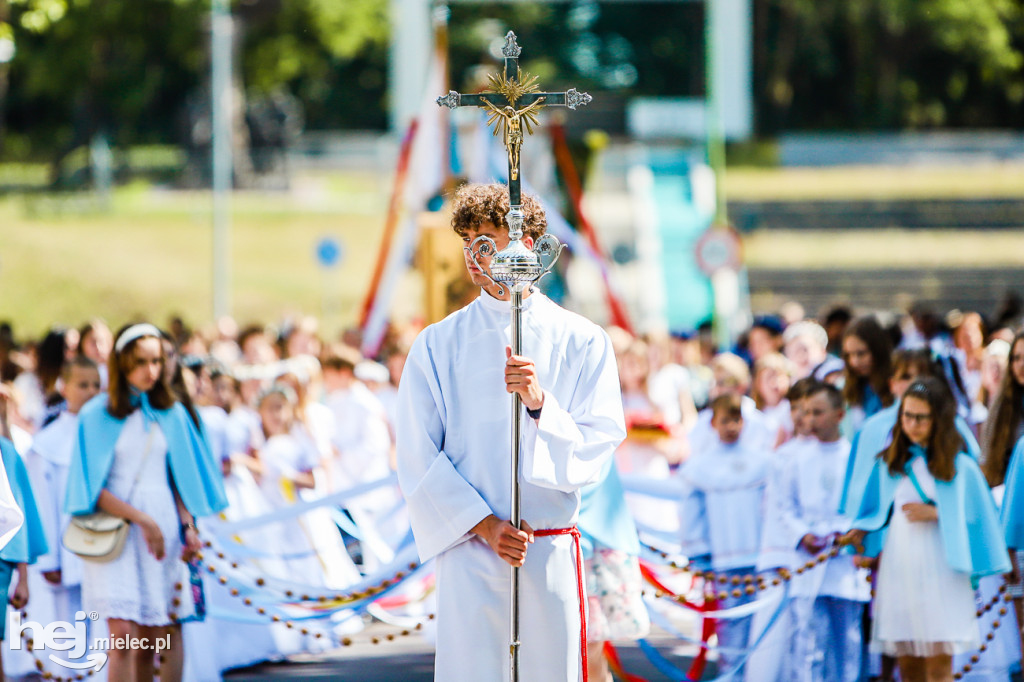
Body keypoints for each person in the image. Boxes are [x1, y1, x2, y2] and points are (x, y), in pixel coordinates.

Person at [395, 183, 626, 682]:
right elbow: (417, 454)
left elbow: (599, 441)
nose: (476, 252)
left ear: (524, 241)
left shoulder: (583, 339)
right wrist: (485, 525)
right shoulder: (437, 345)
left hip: (547, 549)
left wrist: (542, 406)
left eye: (489, 237)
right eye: (467, 238)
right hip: (472, 554)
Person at [65, 323, 228, 682]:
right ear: (122, 363)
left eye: (156, 361)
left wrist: (188, 528)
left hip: (165, 530)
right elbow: (90, 488)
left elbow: (180, 480)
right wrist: (142, 520)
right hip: (117, 530)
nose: (150, 371)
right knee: (123, 638)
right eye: (140, 362)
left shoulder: (174, 413)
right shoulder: (96, 414)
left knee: (165, 634)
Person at [842, 377, 1010, 682]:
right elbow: (874, 511)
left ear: (939, 419)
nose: (912, 424)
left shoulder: (960, 466)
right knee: (908, 663)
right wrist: (860, 534)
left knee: (938, 662)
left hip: (943, 564)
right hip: (900, 564)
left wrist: (936, 512)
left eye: (921, 417)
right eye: (907, 416)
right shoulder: (891, 462)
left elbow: (978, 514)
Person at [778, 383, 870, 682]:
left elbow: (864, 507)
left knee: (848, 640)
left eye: (818, 412)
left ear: (839, 414)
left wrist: (844, 534)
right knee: (808, 640)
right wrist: (803, 534)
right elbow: (785, 506)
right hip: (809, 559)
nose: (811, 419)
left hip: (843, 562)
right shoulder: (796, 458)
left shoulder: (854, 458)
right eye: (807, 412)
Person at [677, 394, 772, 677]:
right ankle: (733, 674)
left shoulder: (763, 462)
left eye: (736, 420)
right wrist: (699, 552)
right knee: (730, 625)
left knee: (762, 623)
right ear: (713, 424)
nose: (731, 427)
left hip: (759, 556)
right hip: (723, 558)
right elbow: (692, 514)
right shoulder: (700, 467)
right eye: (724, 421)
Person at [23, 357, 101, 646]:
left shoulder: (109, 434)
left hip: (108, 544)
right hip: (68, 550)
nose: (91, 392)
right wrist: (49, 558)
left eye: (96, 385)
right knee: (72, 628)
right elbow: (41, 505)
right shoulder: (47, 443)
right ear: (63, 387)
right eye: (83, 385)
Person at [840, 316, 894, 435]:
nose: (854, 362)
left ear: (878, 350)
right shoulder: (843, 388)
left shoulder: (897, 384)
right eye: (849, 355)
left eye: (861, 353)